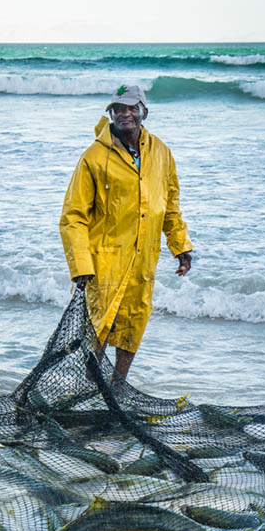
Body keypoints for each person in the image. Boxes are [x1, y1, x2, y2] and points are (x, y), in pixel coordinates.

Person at [59, 84, 192, 380]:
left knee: (134, 324)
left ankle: (118, 387)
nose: (125, 114)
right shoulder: (93, 157)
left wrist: (180, 247)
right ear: (111, 114)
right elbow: (73, 216)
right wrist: (80, 265)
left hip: (144, 257)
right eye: (119, 109)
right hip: (104, 260)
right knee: (100, 326)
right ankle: (92, 386)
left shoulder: (161, 153)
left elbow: (169, 205)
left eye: (132, 108)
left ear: (144, 111)